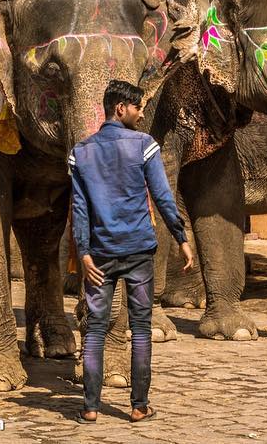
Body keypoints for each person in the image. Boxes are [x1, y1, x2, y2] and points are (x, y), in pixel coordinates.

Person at [69, 80, 194, 425]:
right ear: (120, 108)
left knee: (94, 330)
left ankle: (91, 407)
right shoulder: (144, 145)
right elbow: (163, 197)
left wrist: (84, 253)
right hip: (139, 252)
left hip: (99, 256)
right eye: (138, 108)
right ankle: (139, 406)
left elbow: (79, 208)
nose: (141, 115)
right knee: (140, 329)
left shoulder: (81, 152)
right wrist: (181, 237)